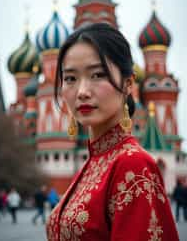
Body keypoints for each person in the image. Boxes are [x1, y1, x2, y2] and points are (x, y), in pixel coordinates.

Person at [46, 23, 179, 240]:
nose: (82, 92)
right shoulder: (94, 163)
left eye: (97, 75)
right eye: (70, 78)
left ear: (128, 84)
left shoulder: (132, 165)